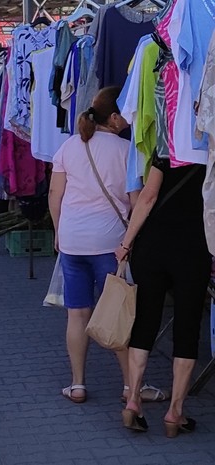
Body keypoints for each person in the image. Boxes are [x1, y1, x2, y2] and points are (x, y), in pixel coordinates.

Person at [49, 86, 167, 406]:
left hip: (72, 241)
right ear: (114, 117)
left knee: (77, 314)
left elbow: (55, 195)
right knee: (118, 314)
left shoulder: (68, 147)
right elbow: (135, 201)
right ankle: (131, 387)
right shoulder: (127, 150)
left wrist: (59, 232)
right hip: (110, 243)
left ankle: (77, 384)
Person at [116, 147, 210, 434]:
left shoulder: (168, 148)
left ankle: (133, 400)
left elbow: (148, 197)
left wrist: (126, 243)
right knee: (187, 327)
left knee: (144, 321)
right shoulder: (212, 154)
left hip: (152, 246)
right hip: (193, 249)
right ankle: (175, 412)